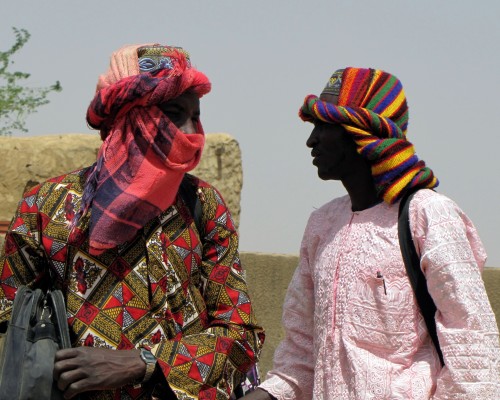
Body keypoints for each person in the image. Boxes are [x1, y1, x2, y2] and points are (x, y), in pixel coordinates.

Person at [0, 43, 264, 400]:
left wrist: (142, 363)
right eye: (174, 113)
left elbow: (240, 336)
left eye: (195, 115)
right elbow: (14, 320)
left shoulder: (203, 204)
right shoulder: (45, 207)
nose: (191, 132)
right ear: (130, 114)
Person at [243, 67, 500, 399]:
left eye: (325, 126)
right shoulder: (323, 225)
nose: (312, 140)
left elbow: (472, 347)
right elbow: (299, 360)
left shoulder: (427, 214)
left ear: (361, 133)